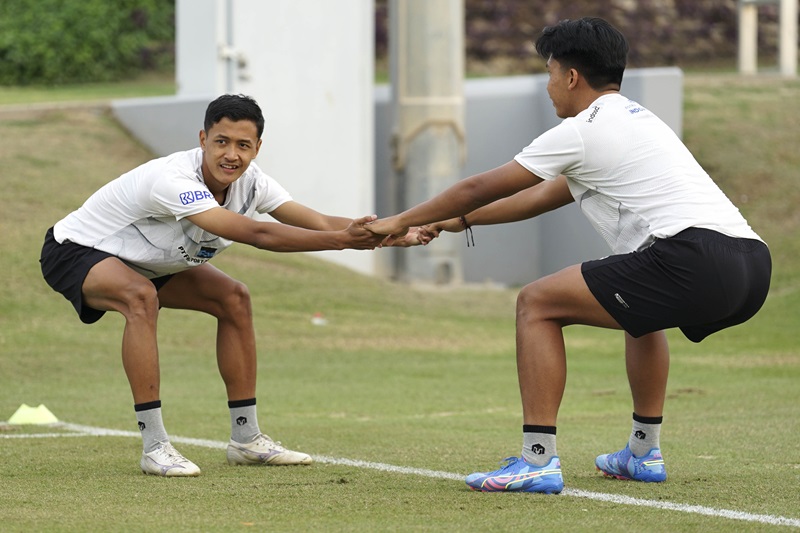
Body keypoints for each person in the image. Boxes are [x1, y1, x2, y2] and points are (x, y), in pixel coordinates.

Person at [367, 17, 771, 494]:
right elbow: (541, 196)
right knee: (640, 317)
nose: (549, 85)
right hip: (751, 266)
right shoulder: (636, 118)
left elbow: (478, 186)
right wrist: (450, 221)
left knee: (537, 303)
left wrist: (397, 220)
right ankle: (643, 453)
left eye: (551, 72)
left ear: (573, 77)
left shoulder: (582, 130)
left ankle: (537, 459)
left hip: (695, 258)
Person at [40, 94, 425, 477]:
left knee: (233, 297)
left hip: (149, 261)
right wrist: (344, 241)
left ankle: (246, 439)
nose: (231, 154)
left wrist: (394, 231)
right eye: (221, 141)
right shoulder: (173, 179)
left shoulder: (253, 183)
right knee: (140, 298)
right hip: (75, 251)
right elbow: (259, 235)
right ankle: (155, 446)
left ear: (257, 148)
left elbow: (322, 222)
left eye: (243, 145)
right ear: (203, 139)